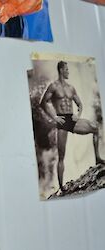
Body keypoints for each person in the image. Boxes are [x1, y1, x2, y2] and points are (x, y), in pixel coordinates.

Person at [40, 61, 105, 192]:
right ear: (61, 70)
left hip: (72, 119)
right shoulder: (53, 86)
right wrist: (54, 118)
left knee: (95, 128)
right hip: (62, 121)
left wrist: (78, 114)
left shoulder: (71, 88)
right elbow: (43, 103)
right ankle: (61, 187)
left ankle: (97, 158)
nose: (68, 72)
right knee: (61, 155)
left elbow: (79, 104)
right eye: (66, 70)